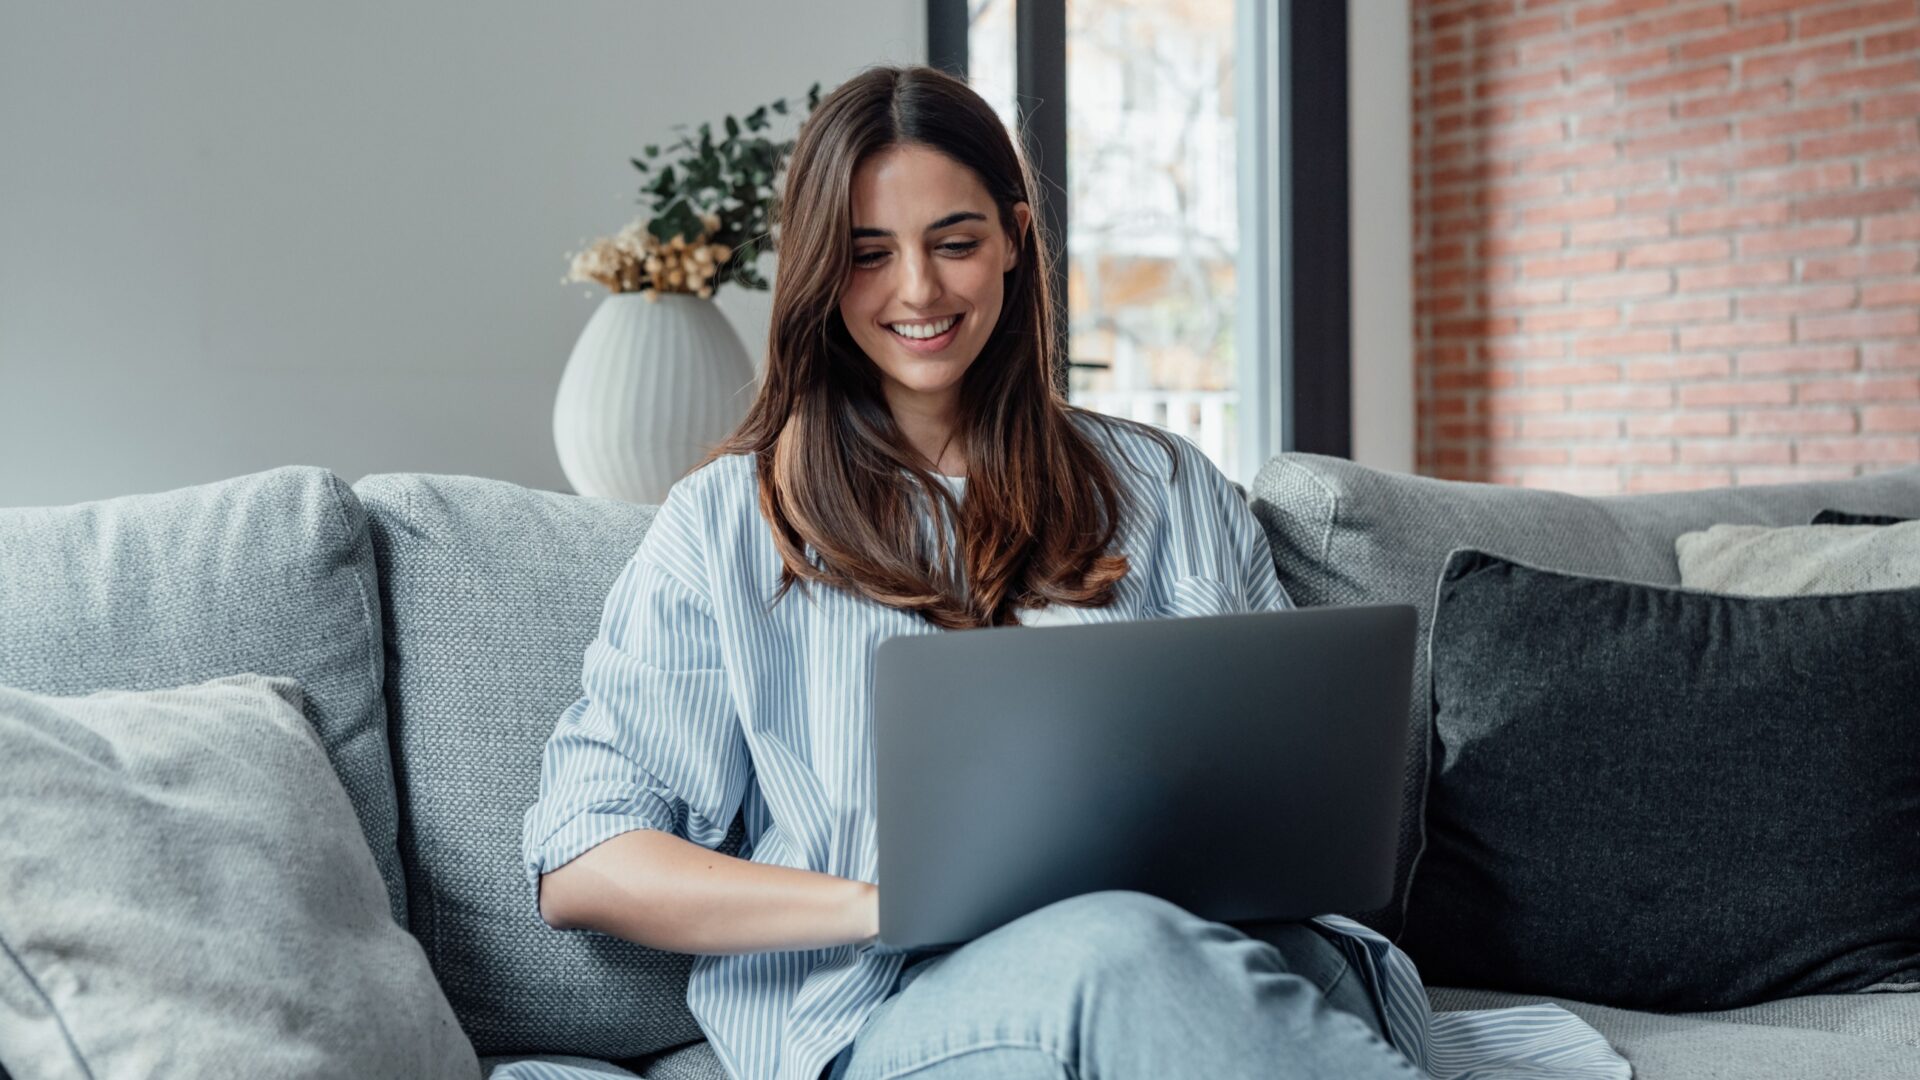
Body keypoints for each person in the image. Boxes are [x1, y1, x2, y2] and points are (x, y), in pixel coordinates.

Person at [510, 65, 1629, 1080]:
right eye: (866, 253)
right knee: (1115, 946)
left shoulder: (1166, 486)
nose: (918, 290)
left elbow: (1287, 794)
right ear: (818, 272)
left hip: (1232, 956)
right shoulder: (728, 523)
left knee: (1209, 956)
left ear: (1013, 237)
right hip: (902, 1007)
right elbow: (587, 861)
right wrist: (887, 902)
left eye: (953, 240)